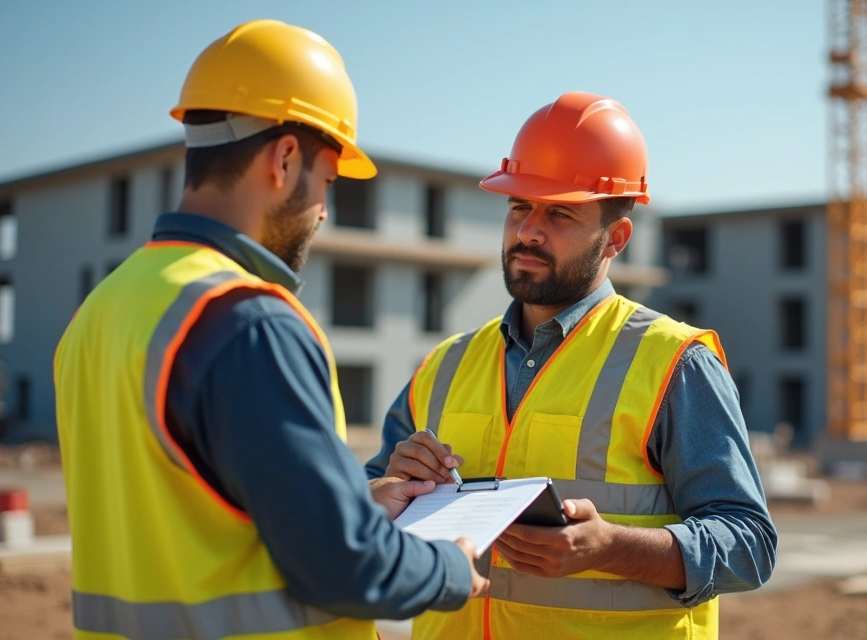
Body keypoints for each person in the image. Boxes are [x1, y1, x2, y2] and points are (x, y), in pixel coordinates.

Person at [54, 20, 486, 639]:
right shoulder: (248, 321)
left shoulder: (101, 310)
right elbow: (344, 567)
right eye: (328, 182)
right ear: (284, 158)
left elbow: (191, 512)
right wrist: (446, 568)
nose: (324, 212)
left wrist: (359, 506)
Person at [364, 91, 778, 639]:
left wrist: (612, 547)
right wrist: (387, 489)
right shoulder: (445, 364)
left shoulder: (674, 362)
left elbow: (748, 543)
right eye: (518, 207)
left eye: (559, 213)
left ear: (616, 239)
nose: (529, 231)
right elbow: (361, 509)